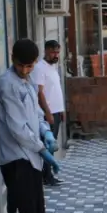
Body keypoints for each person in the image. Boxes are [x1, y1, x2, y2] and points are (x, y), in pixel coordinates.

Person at [0, 39, 60, 213]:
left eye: (29, 66)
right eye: (21, 66)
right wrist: (42, 149)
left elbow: (36, 116)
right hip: (16, 160)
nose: (25, 70)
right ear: (13, 59)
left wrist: (46, 131)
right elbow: (18, 128)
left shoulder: (27, 81)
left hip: (31, 159)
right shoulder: (7, 85)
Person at [32, 39, 66, 186]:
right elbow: (40, 93)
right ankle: (46, 176)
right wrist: (48, 112)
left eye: (58, 52)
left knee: (52, 146)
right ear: (45, 51)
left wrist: (62, 110)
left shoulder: (53, 67)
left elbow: (56, 91)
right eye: (53, 52)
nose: (56, 55)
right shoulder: (40, 68)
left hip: (57, 112)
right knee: (48, 145)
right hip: (48, 114)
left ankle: (48, 174)